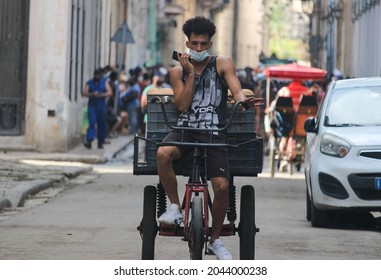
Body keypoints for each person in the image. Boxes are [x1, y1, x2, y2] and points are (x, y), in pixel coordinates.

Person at [156, 16, 263, 260]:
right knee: (163, 153)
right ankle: (175, 206)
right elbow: (182, 106)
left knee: (222, 186)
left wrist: (243, 100)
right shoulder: (176, 72)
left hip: (214, 131)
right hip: (185, 128)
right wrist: (190, 73)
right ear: (186, 44)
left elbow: (236, 90)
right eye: (194, 44)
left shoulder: (222, 63)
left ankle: (215, 240)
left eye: (204, 44)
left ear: (210, 44)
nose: (199, 49)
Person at [82, 68, 112, 149]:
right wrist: (92, 94)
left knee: (102, 124)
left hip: (102, 106)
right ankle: (89, 140)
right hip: (92, 106)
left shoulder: (104, 82)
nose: (97, 76)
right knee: (92, 122)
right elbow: (84, 92)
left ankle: (100, 142)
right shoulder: (90, 83)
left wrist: (102, 95)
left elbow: (110, 92)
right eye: (96, 74)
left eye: (99, 74)